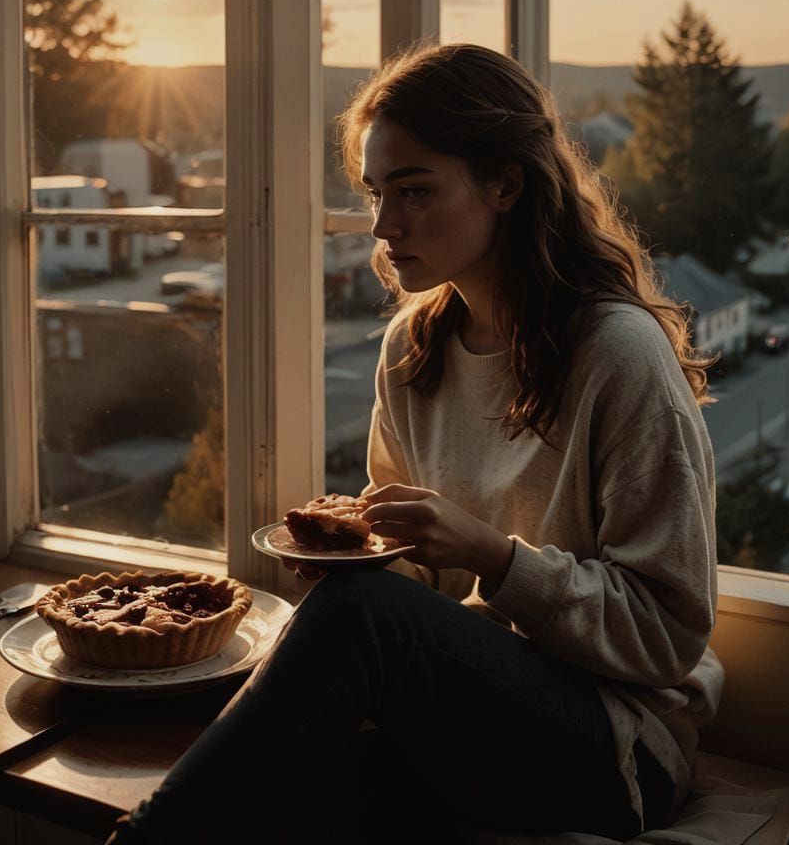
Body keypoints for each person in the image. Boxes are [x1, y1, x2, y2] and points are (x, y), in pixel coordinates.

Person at [106, 43, 723, 844]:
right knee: (279, 805)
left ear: (505, 183)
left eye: (415, 191)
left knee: (354, 622)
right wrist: (362, 558)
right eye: (374, 192)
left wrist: (496, 558)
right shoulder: (413, 352)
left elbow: (670, 634)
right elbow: (415, 603)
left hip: (620, 748)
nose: (382, 226)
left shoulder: (616, 354)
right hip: (470, 712)